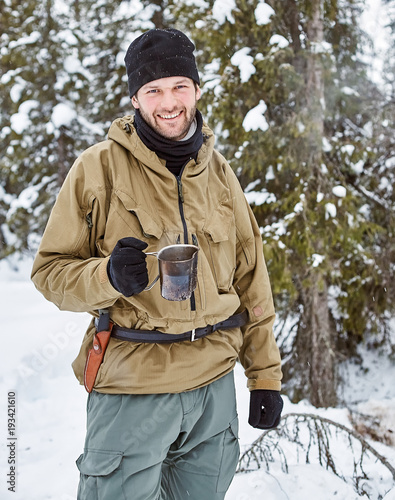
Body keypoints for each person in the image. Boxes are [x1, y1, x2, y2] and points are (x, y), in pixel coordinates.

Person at [31, 28, 283, 500]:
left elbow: (252, 280)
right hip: (132, 386)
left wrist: (264, 375)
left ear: (197, 90)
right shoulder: (97, 169)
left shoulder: (220, 172)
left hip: (213, 390)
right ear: (134, 99)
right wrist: (106, 276)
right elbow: (50, 273)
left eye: (178, 87)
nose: (169, 102)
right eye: (154, 90)